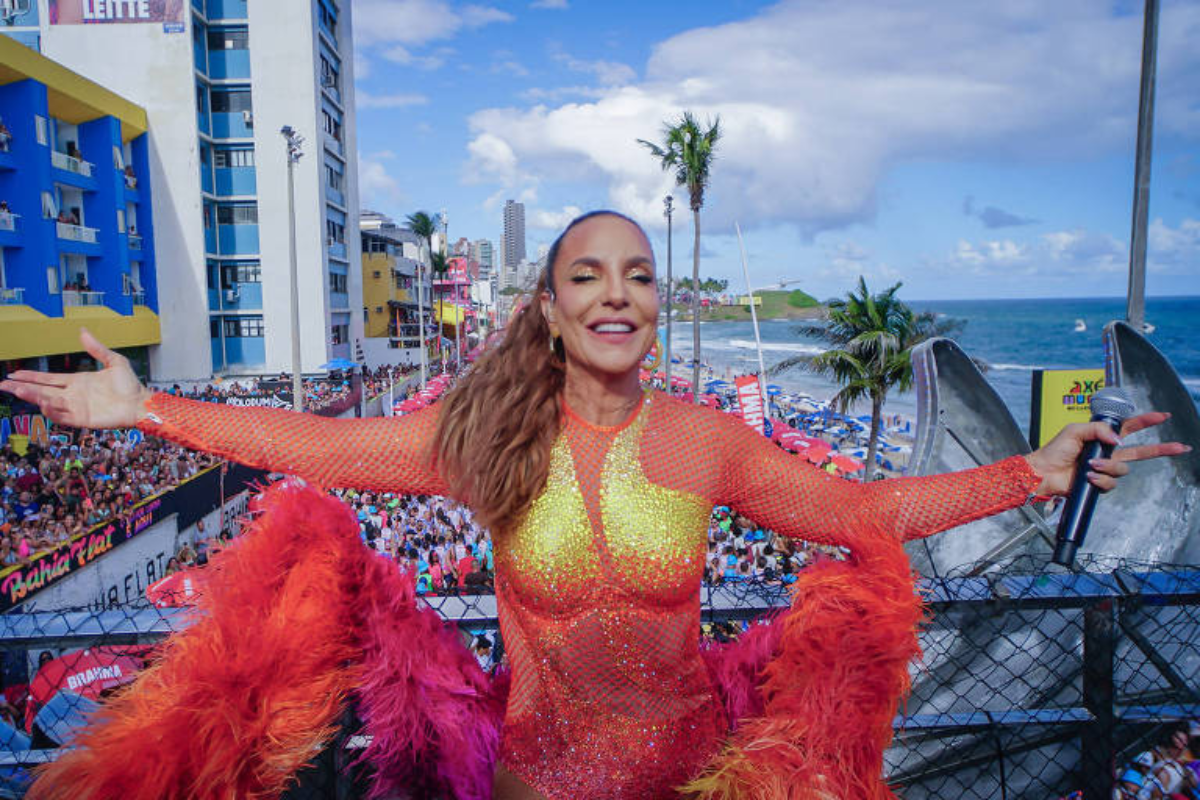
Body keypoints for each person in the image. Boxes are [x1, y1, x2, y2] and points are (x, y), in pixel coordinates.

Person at [0, 211, 1187, 800]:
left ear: (652, 306)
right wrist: (149, 409)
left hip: (688, 773)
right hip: (531, 782)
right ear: (553, 310)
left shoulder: (707, 440)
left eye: (637, 273)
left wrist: (1032, 474)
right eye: (587, 275)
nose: (617, 291)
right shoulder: (480, 440)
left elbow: (855, 509)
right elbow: (319, 440)